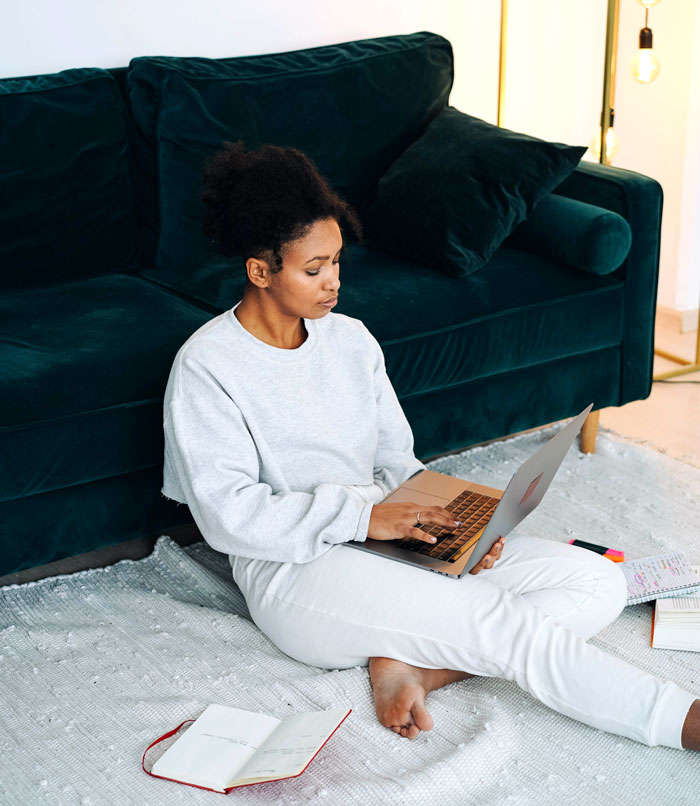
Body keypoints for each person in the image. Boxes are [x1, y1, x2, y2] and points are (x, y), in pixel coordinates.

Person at [161, 139, 700, 750]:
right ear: (260, 270)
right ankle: (685, 722)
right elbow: (230, 517)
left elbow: (396, 461)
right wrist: (365, 519)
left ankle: (414, 667)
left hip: (390, 536)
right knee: (499, 623)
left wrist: (457, 528)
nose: (334, 282)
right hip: (296, 567)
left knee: (598, 582)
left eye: (338, 261)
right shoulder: (208, 366)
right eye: (314, 269)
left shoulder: (350, 340)